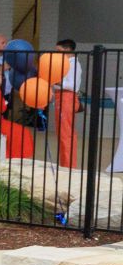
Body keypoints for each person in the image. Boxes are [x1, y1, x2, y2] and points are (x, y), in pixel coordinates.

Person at [51, 38, 82, 169]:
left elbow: (72, 84)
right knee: (62, 133)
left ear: (68, 50)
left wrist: (57, 83)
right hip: (61, 97)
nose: (56, 53)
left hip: (67, 97)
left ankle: (68, 166)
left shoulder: (73, 64)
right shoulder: (65, 63)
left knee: (66, 134)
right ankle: (65, 164)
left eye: (59, 50)